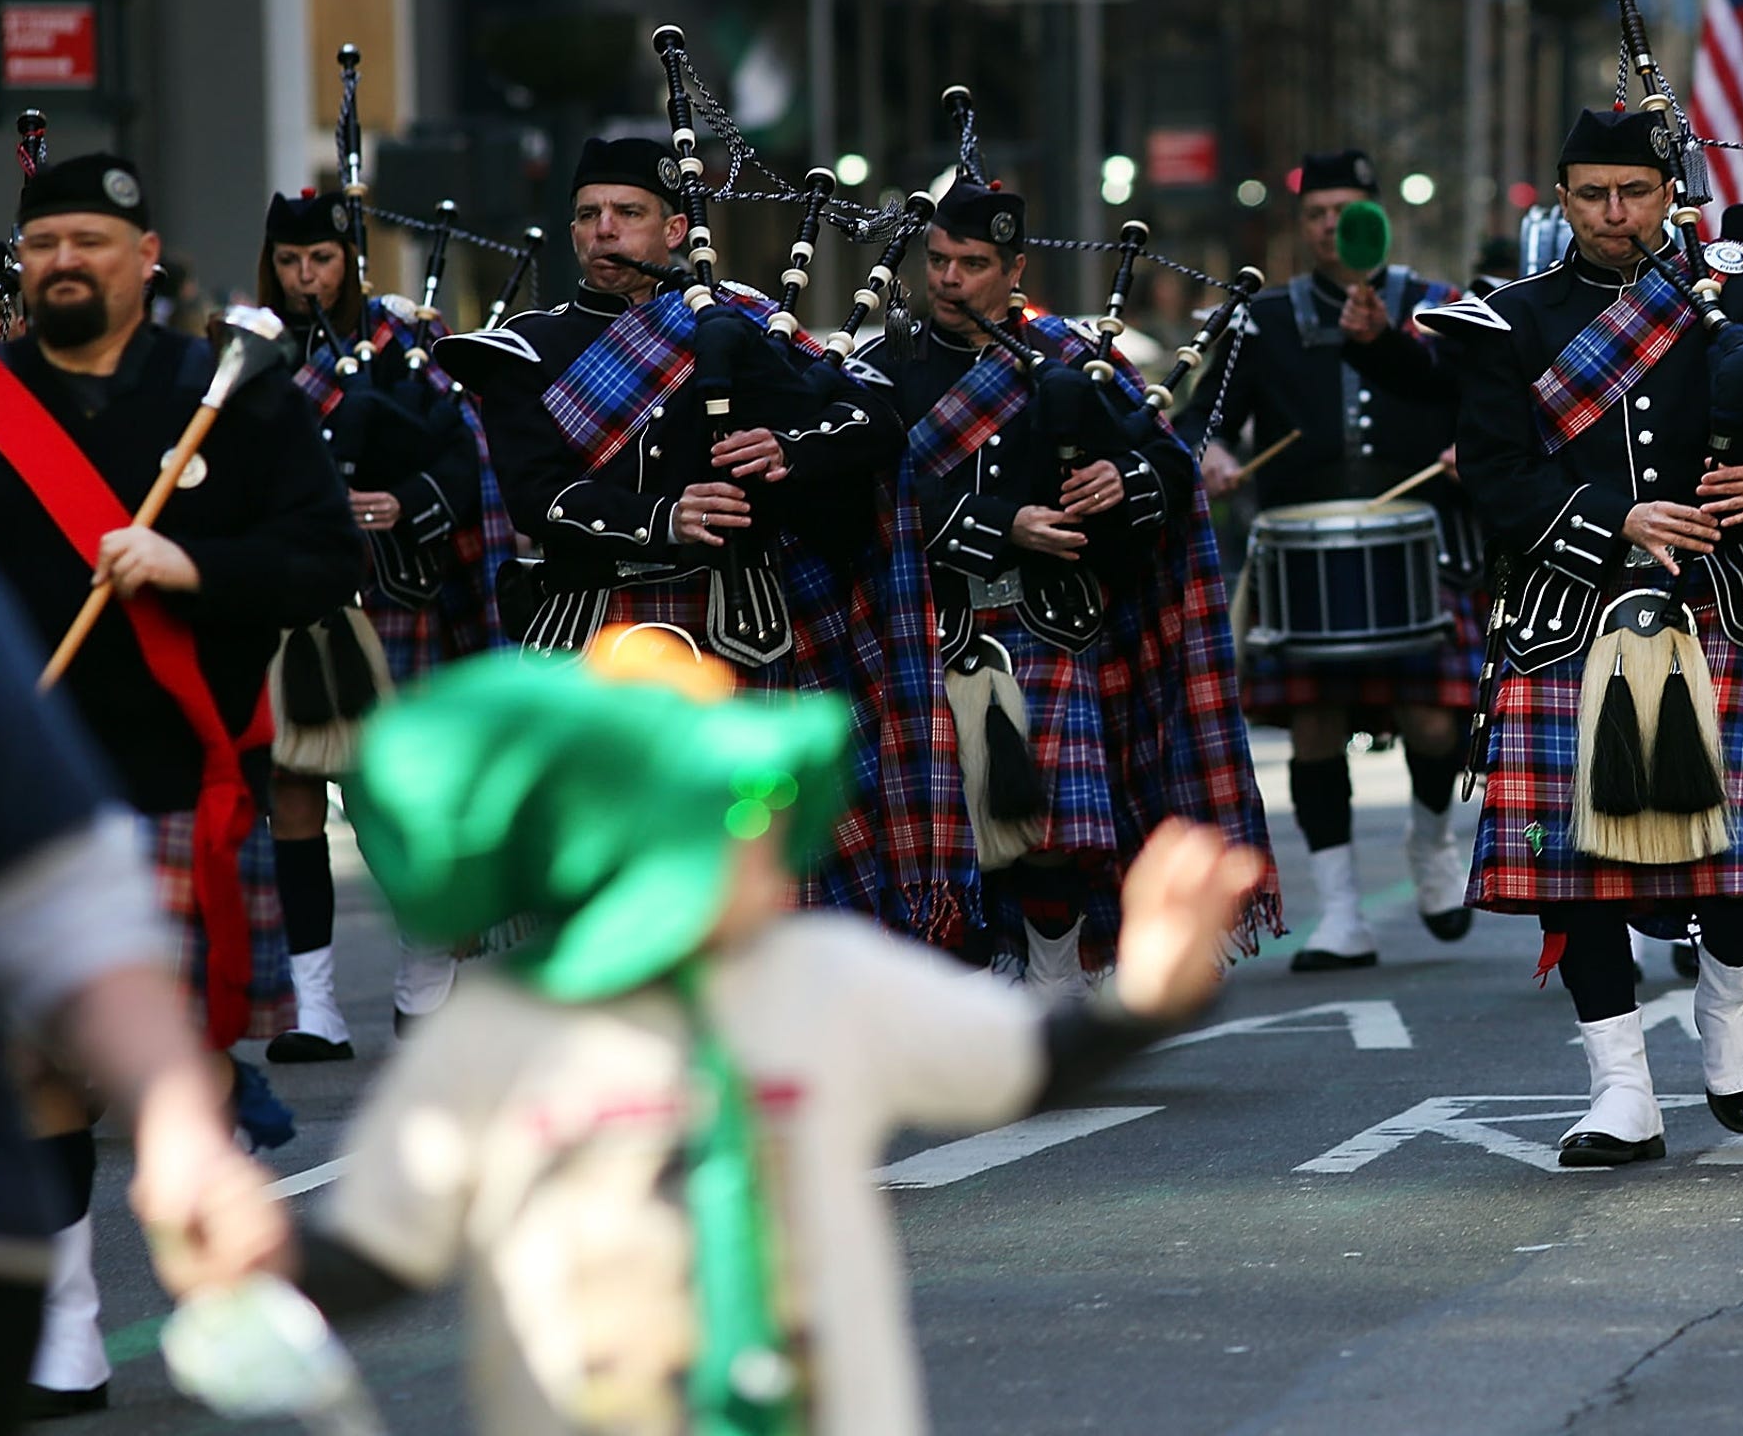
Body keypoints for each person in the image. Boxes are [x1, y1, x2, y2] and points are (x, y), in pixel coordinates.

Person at [289, 629, 1265, 1436]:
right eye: (736, 806)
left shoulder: (826, 973)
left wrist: (1144, 998)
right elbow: (382, 1251)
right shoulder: (493, 1031)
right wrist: (258, 1263)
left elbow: (1020, 1063)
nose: (777, 829)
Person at [0, 151, 356, 1411]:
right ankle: (65, 1327)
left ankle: (231, 1309)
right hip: (17, 799)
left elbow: (322, 561)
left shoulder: (227, 393)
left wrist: (192, 568)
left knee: (173, 1082)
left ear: (147, 259)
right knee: (37, 1067)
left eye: (90, 240)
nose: (63, 263)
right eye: (43, 245)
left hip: (184, 773)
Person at [438, 138, 972, 948]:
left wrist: (791, 451)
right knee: (606, 872)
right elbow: (536, 497)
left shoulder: (746, 325)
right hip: (593, 630)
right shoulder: (525, 350)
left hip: (737, 626)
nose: (604, 231)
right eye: (588, 215)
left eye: (627, 214)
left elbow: (872, 423)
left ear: (676, 228)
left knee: (753, 870)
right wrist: (665, 517)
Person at [1424, 107, 1743, 1167]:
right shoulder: (1503, 322)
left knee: (1733, 843)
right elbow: (1497, 477)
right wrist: (1617, 518)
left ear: (1668, 196)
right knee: (1576, 868)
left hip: (1715, 605)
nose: (1613, 214)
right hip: (1570, 611)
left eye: (1634, 193)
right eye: (1591, 193)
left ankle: (1732, 1012)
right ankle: (1619, 1091)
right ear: (1559, 198)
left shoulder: (1739, 300)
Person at [850, 180, 1213, 994]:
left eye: (973, 264)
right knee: (949, 827)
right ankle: (974, 986)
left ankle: (1055, 972)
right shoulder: (882, 367)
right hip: (924, 627)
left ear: (1013, 270)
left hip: (1047, 619)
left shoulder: (1072, 362)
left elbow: (1165, 463)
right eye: (937, 261)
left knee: (1046, 824)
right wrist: (998, 523)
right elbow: (865, 495)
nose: (948, 280)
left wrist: (1123, 478)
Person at [0, 553, 291, 1429]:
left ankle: (66, 1332)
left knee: (54, 1072)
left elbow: (66, 907)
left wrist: (175, 1125)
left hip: (155, 759)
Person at [1185, 150, 1479, 968]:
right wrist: (1208, 456)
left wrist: (1469, 446)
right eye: (1315, 213)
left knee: (1433, 717)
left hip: (1424, 542)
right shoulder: (1261, 320)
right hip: (1299, 553)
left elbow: (1481, 405)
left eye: (1345, 211)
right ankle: (1343, 913)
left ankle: (1430, 842)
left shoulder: (1435, 308)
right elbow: (1200, 419)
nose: (1328, 227)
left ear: (1374, 218)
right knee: (1314, 726)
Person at [255, 188, 513, 1063]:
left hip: (390, 598)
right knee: (290, 795)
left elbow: (463, 452)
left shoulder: (404, 343)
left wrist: (402, 500)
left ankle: (421, 971)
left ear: (347, 261)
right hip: (290, 601)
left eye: (321, 260)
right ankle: (313, 1006)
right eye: (290, 262)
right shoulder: (250, 352)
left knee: (382, 798)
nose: (305, 278)